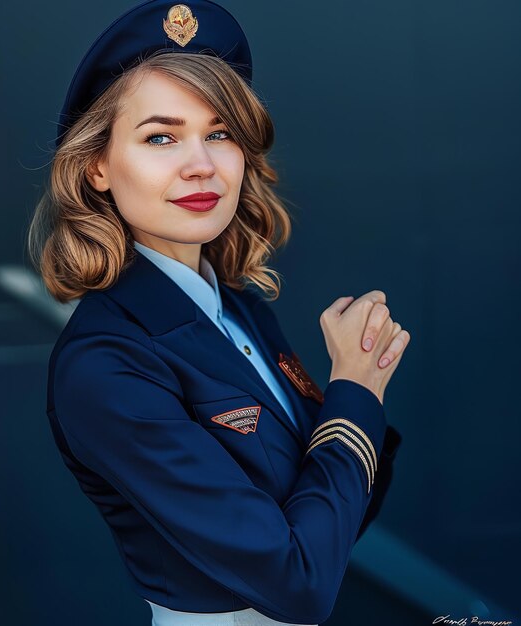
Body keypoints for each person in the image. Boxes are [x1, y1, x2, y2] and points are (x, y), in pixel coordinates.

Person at [27, 1, 409, 624]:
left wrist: (356, 388)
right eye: (161, 137)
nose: (200, 163)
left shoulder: (237, 309)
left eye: (220, 132)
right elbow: (299, 584)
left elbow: (337, 525)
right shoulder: (105, 364)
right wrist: (355, 391)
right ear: (96, 165)